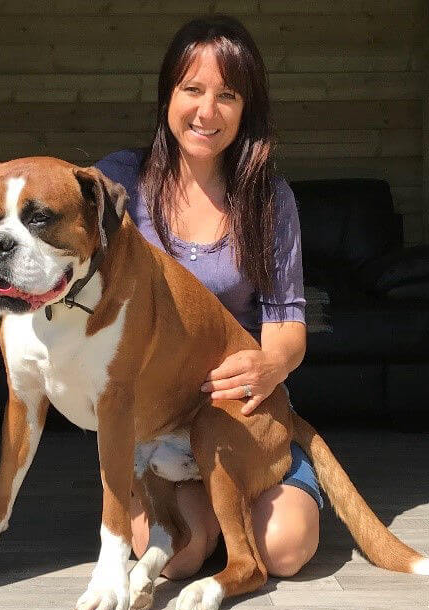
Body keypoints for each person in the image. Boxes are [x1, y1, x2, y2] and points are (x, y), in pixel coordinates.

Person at [94, 15, 320, 580]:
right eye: (192, 89)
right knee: (180, 558)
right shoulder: (121, 183)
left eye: (227, 95)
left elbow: (288, 325)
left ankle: (242, 506)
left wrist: (270, 365)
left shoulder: (270, 200)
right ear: (168, 94)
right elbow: (61, 223)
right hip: (157, 424)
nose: (206, 110)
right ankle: (205, 517)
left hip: (236, 416)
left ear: (247, 110)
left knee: (287, 550)